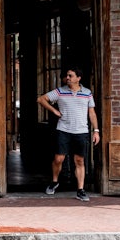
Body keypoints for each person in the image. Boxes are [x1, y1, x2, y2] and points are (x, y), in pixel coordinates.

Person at [37, 67, 99, 202]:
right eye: (67, 75)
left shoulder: (87, 93)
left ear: (78, 78)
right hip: (63, 130)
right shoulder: (60, 91)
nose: (68, 78)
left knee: (79, 161)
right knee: (59, 159)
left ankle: (80, 190)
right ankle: (54, 182)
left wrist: (96, 131)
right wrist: (54, 111)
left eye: (71, 76)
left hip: (81, 131)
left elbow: (92, 113)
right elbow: (41, 99)